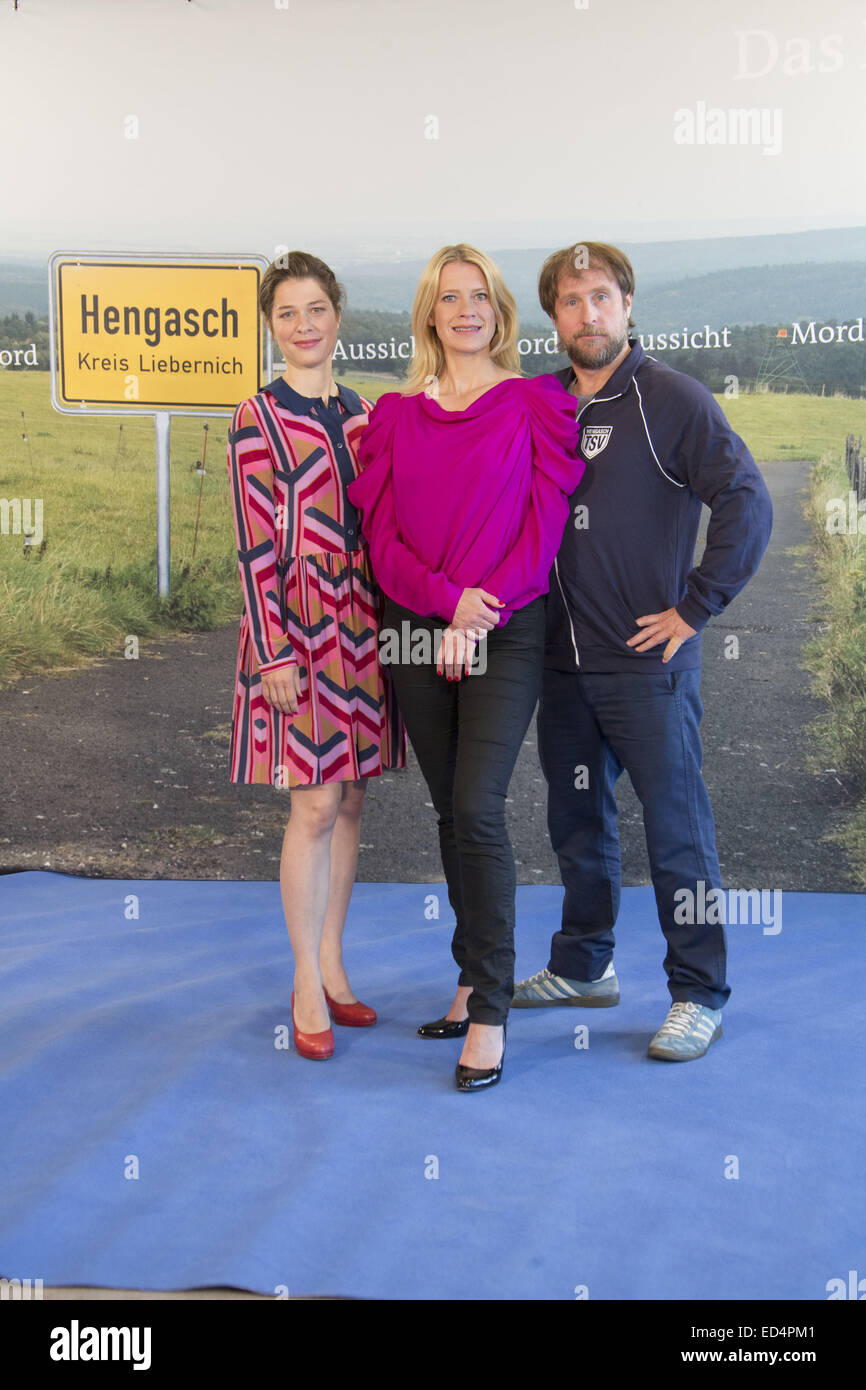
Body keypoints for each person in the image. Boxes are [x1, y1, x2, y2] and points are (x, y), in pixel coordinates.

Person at [511, 240, 773, 1060]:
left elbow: (746, 501)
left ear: (626, 305)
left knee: (677, 831)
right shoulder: (539, 402)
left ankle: (700, 993)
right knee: (578, 822)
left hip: (647, 668)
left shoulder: (672, 399)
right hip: (562, 664)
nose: (587, 313)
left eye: (601, 297)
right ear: (551, 315)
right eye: (569, 300)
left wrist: (695, 606)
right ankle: (585, 966)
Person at [347, 244, 584, 1090]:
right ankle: (468, 969)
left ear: (499, 310)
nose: (466, 310)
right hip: (418, 630)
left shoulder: (533, 405)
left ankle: (491, 1008)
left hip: (507, 627)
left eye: (479, 296)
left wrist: (478, 607)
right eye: (450, 298)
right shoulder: (396, 418)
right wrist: (446, 606)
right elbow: (385, 546)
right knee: (449, 809)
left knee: (480, 808)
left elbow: (542, 529)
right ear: (429, 314)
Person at [226, 251, 406, 1061]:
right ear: (271, 327)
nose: (304, 326)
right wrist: (271, 653)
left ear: (338, 315)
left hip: (364, 627)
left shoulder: (367, 412)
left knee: (355, 802)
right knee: (314, 805)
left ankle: (335, 965)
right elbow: (253, 546)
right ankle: (304, 980)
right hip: (294, 631)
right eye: (288, 314)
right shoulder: (255, 418)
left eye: (316, 310)